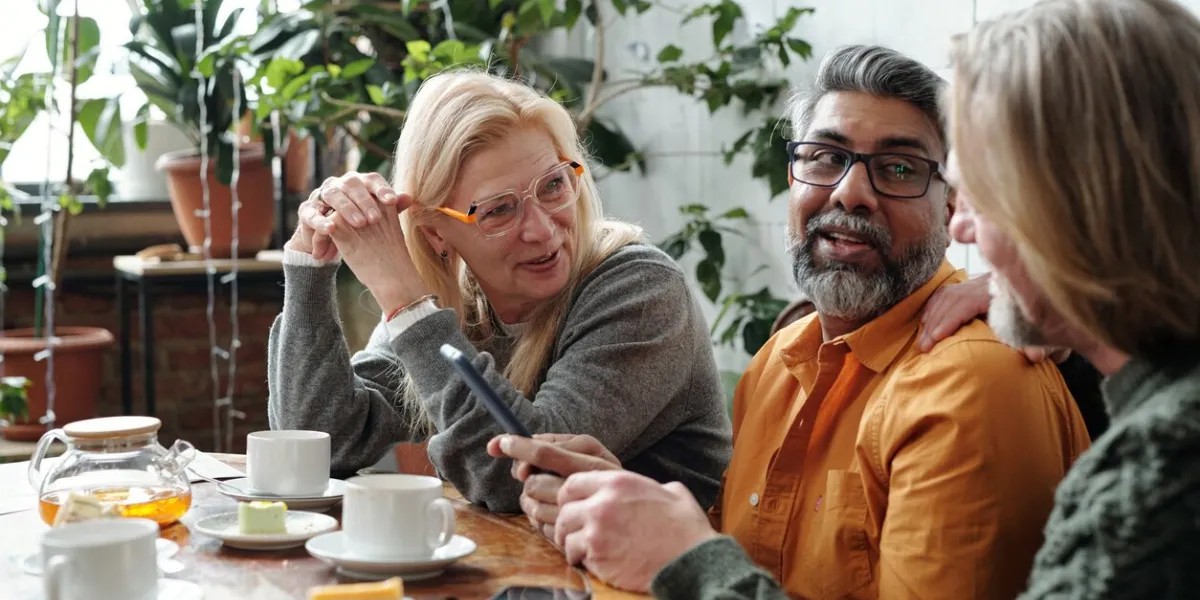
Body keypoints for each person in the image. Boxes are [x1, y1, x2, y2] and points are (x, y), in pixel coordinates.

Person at [491, 45, 1091, 598]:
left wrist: (686, 559)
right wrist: (631, 509)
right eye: (826, 158)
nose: (851, 193)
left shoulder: (972, 382)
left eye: (900, 169)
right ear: (792, 180)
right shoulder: (778, 362)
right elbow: (750, 571)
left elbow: (712, 572)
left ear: (953, 205)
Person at [266, 70, 732, 513]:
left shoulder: (640, 288)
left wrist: (408, 305)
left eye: (553, 185)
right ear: (435, 236)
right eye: (499, 210)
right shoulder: (458, 299)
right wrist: (308, 267)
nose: (542, 229)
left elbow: (518, 478)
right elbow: (323, 442)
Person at [945, 0, 1200, 596]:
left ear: (1065, 208)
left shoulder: (1163, 471)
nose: (959, 229)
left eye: (979, 197)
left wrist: (704, 568)